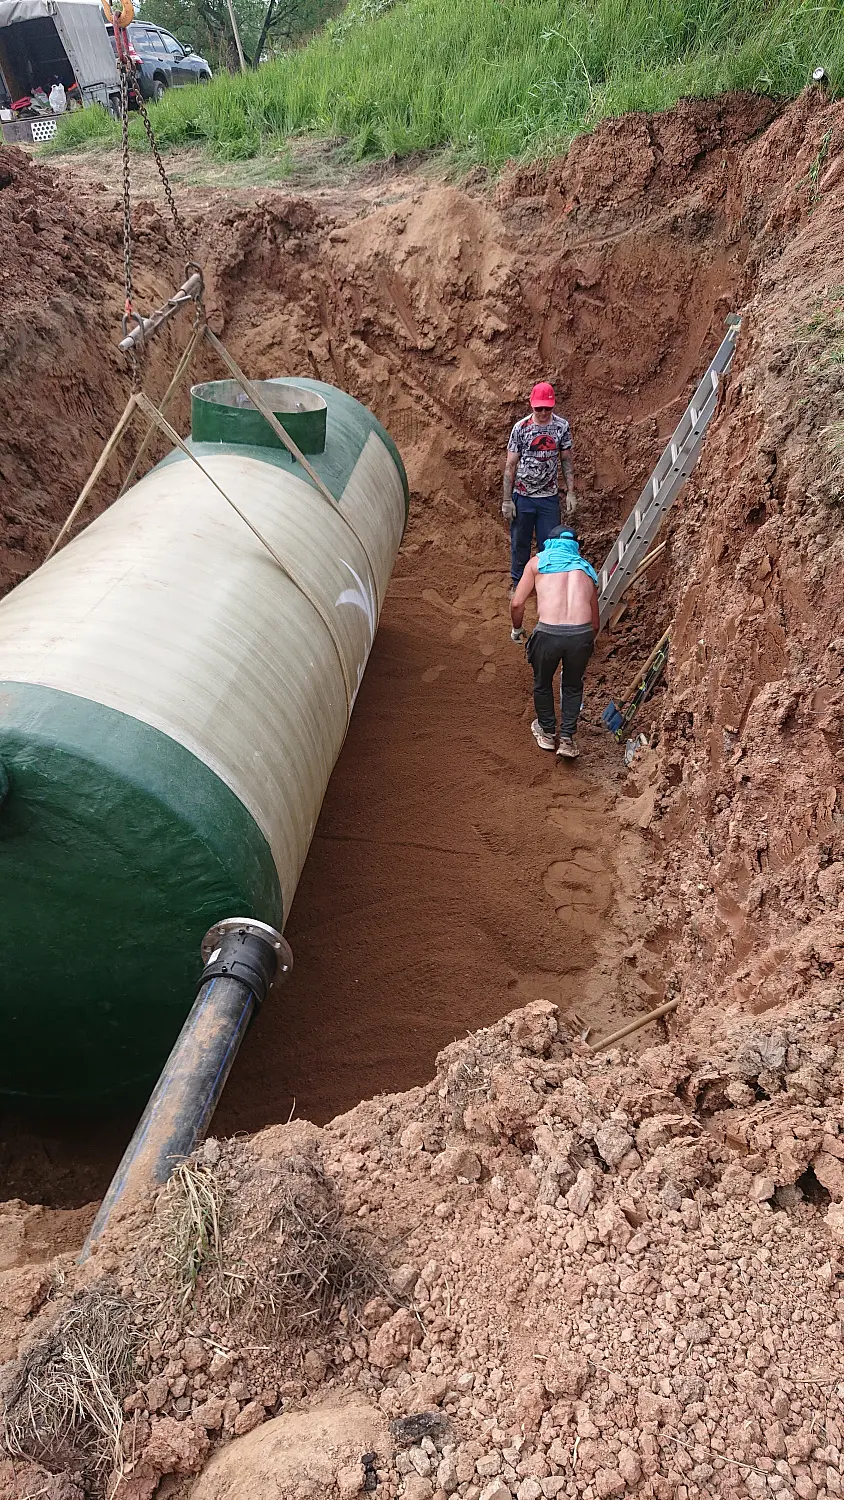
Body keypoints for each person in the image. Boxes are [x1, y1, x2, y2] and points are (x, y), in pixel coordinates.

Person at [510, 525, 599, 760]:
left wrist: (517, 629)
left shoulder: (537, 563)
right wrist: (584, 644)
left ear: (549, 543)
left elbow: (517, 604)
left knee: (542, 681)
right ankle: (568, 739)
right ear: (575, 546)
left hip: (548, 633)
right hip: (580, 635)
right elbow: (596, 624)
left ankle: (548, 733)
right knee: (572, 685)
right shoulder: (587, 570)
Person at [502, 382, 576, 590]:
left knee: (550, 545)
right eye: (539, 408)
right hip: (523, 496)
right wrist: (507, 500)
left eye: (547, 408)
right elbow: (511, 465)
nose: (543, 412)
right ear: (531, 405)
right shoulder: (521, 428)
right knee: (520, 543)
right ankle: (519, 584)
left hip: (548, 498)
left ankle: (546, 585)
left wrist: (571, 492)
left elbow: (566, 460)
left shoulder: (562, 427)